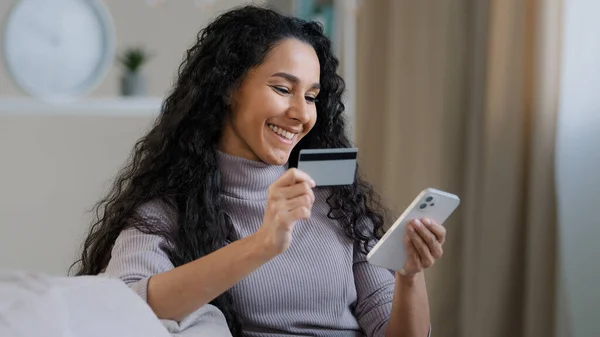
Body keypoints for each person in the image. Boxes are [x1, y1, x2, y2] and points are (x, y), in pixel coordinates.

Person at [72, 5, 446, 337]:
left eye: (312, 97)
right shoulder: (169, 210)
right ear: (229, 87)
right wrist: (263, 244)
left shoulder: (338, 204)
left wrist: (409, 275)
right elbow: (126, 305)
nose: (301, 114)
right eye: (283, 89)